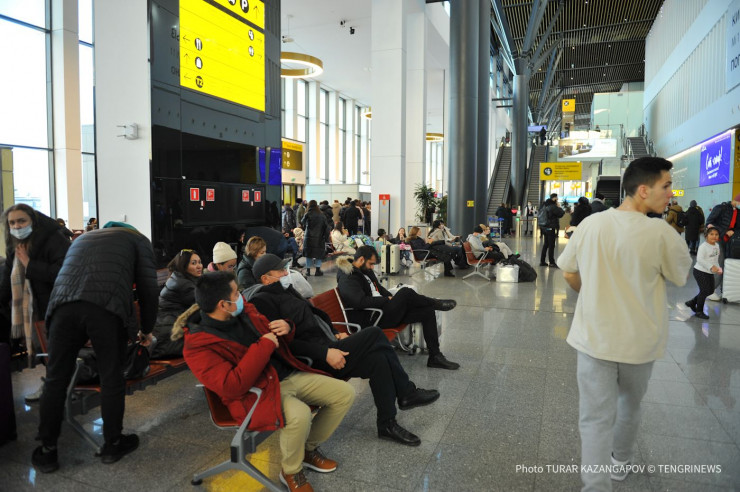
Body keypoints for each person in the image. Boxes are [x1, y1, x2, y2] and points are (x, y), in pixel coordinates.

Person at [556, 157, 692, 491]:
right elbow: (679, 276)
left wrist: (593, 292)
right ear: (643, 190)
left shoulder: (591, 224)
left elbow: (569, 272)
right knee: (630, 405)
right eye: (666, 186)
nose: (671, 193)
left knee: (594, 419)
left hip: (594, 339)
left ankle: (596, 486)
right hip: (639, 343)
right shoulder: (662, 233)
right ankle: (621, 461)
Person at [172, 271, 354, 491]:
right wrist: (263, 346)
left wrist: (287, 327)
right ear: (223, 305)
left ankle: (306, 450)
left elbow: (275, 335)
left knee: (344, 394)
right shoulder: (198, 345)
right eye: (236, 294)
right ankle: (291, 471)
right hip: (255, 393)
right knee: (299, 415)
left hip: (285, 374)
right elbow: (232, 386)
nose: (241, 297)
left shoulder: (245, 311)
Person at [246, 254, 440, 447]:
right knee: (374, 333)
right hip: (314, 357)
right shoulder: (262, 302)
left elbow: (315, 318)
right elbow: (283, 344)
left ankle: (387, 424)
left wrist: (336, 333)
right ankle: (406, 392)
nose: (286, 273)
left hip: (328, 343)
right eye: (280, 270)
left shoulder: (286, 291)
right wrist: (325, 353)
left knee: (378, 359)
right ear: (265, 278)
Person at [33, 222, 159, 473]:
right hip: (105, 308)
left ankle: (47, 450)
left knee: (55, 378)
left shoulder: (81, 240)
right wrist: (146, 329)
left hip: (62, 307)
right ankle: (113, 443)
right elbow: (148, 289)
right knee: (111, 375)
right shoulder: (138, 240)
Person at [336, 247, 460, 370]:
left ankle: (435, 356)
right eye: (371, 264)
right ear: (361, 259)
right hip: (372, 319)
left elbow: (379, 289)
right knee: (405, 292)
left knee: (427, 312)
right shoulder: (348, 277)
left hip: (382, 311)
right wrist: (386, 300)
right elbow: (359, 302)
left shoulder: (364, 270)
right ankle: (435, 303)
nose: (372, 267)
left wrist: (391, 298)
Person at [0, 204, 70, 403]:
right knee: (45, 349)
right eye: (12, 222)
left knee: (57, 349)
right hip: (32, 307)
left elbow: (64, 272)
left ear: (33, 221)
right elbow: (8, 278)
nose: (17, 226)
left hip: (57, 303)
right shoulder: (14, 242)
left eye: (22, 221)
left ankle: (62, 388)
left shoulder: (54, 238)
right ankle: (55, 386)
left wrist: (30, 264)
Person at [151, 249, 203, 359]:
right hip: (168, 337)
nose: (199, 266)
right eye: (194, 263)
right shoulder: (184, 285)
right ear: (184, 266)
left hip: (166, 330)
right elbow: (205, 304)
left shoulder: (180, 277)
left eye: (199, 262)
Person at [704, 194, 740, 301]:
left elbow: (737, 228)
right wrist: (725, 231)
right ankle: (709, 290)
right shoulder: (721, 208)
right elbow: (709, 223)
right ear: (736, 200)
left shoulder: (738, 212)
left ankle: (724, 291)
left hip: (729, 242)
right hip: (717, 240)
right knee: (719, 265)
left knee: (727, 265)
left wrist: (733, 231)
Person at [685, 227, 722, 319]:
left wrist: (717, 268)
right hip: (699, 271)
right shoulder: (703, 247)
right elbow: (700, 259)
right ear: (706, 236)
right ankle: (699, 311)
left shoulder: (717, 246)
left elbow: (715, 259)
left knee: (710, 290)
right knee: (704, 290)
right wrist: (711, 266)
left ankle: (692, 302)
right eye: (711, 234)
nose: (714, 236)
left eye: (716, 234)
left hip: (709, 272)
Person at [300, 200, 330, 277]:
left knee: (309, 254)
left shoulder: (307, 214)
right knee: (318, 254)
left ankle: (308, 271)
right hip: (319, 237)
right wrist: (326, 238)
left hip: (308, 237)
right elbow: (326, 227)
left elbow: (302, 222)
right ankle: (317, 271)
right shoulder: (322, 215)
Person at [539, 196, 565, 267]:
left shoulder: (544, 206)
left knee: (546, 244)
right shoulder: (552, 207)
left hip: (544, 228)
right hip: (550, 228)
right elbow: (561, 213)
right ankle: (551, 262)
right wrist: (559, 206)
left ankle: (542, 261)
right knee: (551, 245)